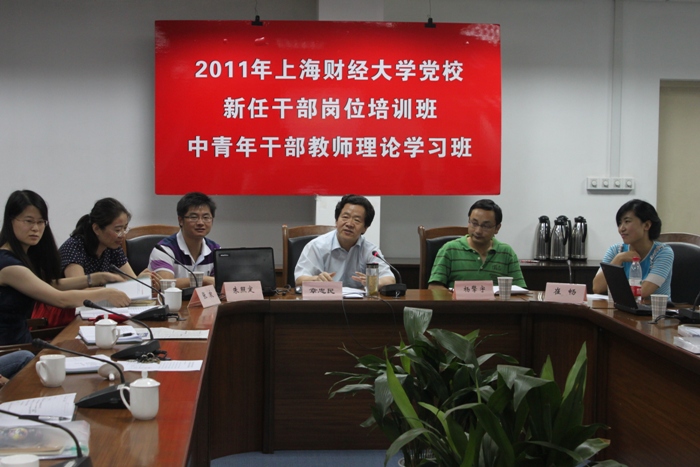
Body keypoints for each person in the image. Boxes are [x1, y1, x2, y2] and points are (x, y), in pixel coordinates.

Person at [0, 190, 130, 345]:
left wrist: (97, 277)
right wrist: (105, 293)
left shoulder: (25, 256)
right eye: (29, 221)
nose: (36, 228)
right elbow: (60, 299)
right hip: (12, 351)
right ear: (10, 220)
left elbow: (51, 284)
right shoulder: (9, 265)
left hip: (24, 345)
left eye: (41, 222)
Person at [295, 194, 396, 289]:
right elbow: (299, 280)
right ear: (336, 220)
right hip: (325, 300)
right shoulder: (317, 246)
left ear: (365, 228)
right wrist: (316, 279)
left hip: (357, 301)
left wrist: (373, 282)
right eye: (345, 217)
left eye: (357, 220)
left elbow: (390, 280)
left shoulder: (370, 251)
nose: (349, 224)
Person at [428, 199, 526, 290]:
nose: (478, 231)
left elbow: (520, 290)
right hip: (458, 303)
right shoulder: (449, 249)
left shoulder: (507, 253)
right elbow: (434, 287)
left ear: (497, 228)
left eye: (486, 226)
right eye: (474, 223)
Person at [592, 199, 673, 299]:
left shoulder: (663, 252)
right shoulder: (616, 250)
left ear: (647, 225)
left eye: (627, 221)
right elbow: (597, 288)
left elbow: (643, 292)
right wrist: (619, 259)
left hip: (655, 308)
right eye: (619, 223)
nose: (621, 228)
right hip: (624, 307)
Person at [148, 192, 220, 290]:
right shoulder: (164, 250)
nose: (200, 222)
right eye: (194, 217)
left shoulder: (216, 250)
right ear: (181, 220)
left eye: (206, 217)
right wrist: (203, 280)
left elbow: (221, 284)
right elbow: (165, 285)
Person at [59, 197, 139, 281]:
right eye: (118, 230)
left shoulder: (113, 246)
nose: (123, 235)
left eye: (125, 228)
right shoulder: (74, 248)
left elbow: (132, 280)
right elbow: (78, 287)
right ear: (96, 229)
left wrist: (142, 279)